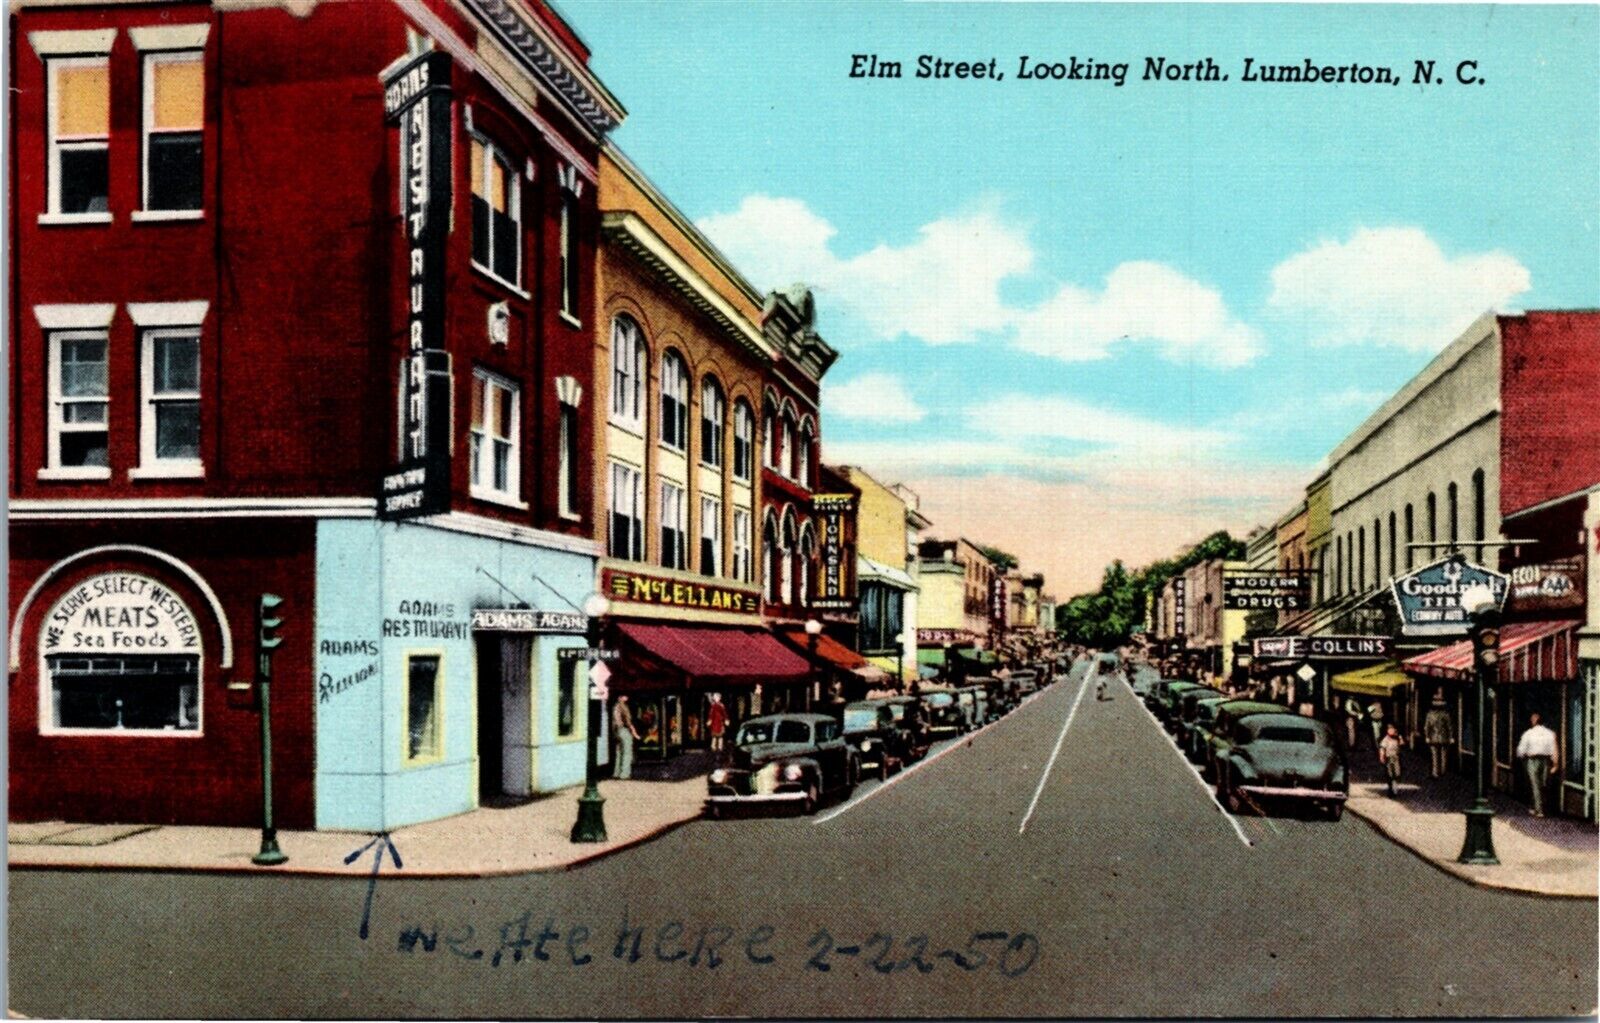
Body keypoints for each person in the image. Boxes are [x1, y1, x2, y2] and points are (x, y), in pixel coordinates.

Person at [1515, 712, 1559, 817]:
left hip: (1532, 760)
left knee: (1535, 784)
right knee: (1543, 783)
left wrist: (1521, 756)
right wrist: (1555, 763)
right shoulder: (1549, 733)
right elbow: (1554, 749)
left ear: (1533, 721)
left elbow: (1521, 750)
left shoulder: (1528, 733)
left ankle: (1538, 809)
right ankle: (1537, 807)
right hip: (1545, 760)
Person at [1423, 694, 1453, 779]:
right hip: (1444, 737)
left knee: (1434, 756)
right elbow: (1449, 727)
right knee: (1443, 755)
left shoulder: (1429, 715)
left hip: (1433, 737)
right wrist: (1451, 737)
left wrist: (1427, 736)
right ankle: (1443, 771)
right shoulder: (1446, 714)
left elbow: (1426, 727)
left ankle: (1435, 772)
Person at [612, 694, 640, 780]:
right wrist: (634, 733)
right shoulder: (623, 707)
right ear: (620, 698)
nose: (626, 697)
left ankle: (616, 772)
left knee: (619, 752)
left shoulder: (615, 707)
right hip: (624, 730)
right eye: (624, 696)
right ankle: (625, 774)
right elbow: (628, 722)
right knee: (627, 752)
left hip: (617, 731)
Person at [1378, 724, 1405, 797]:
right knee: (1390, 774)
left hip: (1396, 757)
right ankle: (1391, 789)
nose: (1391, 731)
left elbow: (1402, 744)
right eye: (1390, 729)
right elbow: (1382, 748)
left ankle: (1394, 785)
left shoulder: (1397, 738)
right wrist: (1382, 756)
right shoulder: (1386, 739)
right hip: (1389, 758)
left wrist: (1400, 737)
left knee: (1397, 773)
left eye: (1393, 729)